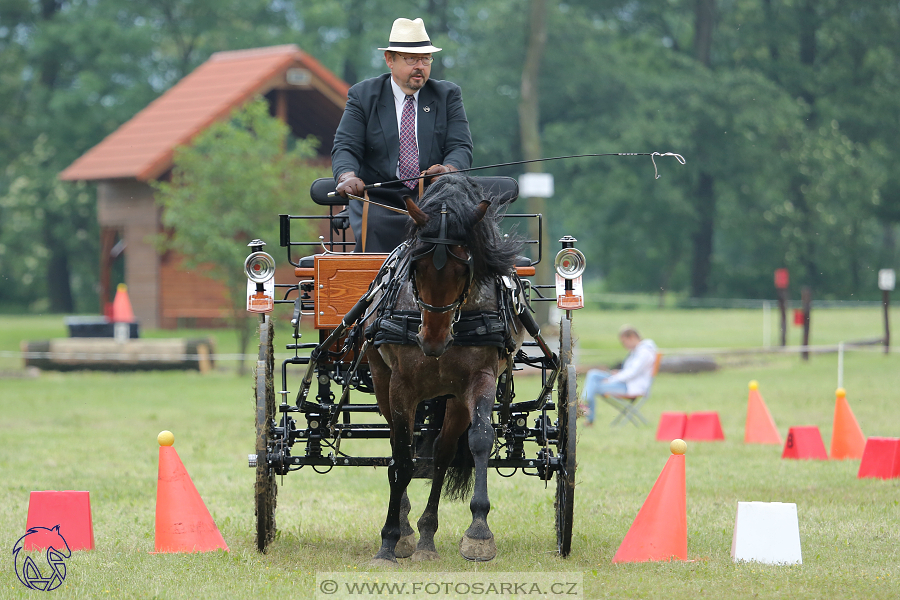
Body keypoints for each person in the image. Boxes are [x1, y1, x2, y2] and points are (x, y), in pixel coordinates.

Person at [331, 17, 474, 253]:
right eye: (411, 59)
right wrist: (346, 176)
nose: (420, 66)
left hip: (433, 197)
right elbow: (346, 146)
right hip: (377, 198)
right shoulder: (363, 95)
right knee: (373, 226)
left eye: (425, 59)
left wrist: (448, 171)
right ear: (390, 60)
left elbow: (460, 147)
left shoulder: (447, 95)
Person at [581, 325, 658, 426]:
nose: (624, 345)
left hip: (632, 387)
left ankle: (587, 414)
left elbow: (632, 373)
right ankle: (585, 404)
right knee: (593, 374)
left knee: (594, 386)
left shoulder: (645, 352)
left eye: (624, 342)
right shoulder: (638, 350)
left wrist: (612, 379)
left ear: (631, 337)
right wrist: (618, 374)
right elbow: (630, 371)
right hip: (625, 382)